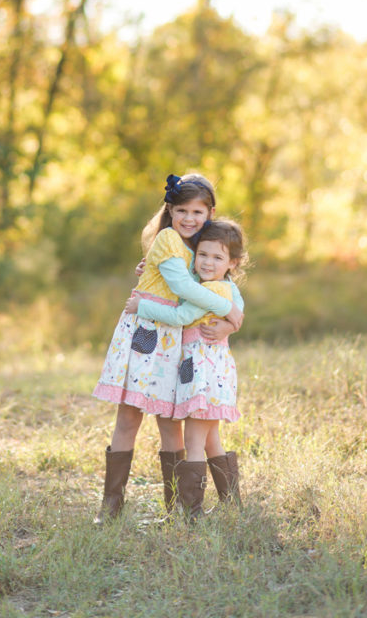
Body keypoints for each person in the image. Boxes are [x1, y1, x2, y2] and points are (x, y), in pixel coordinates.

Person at [92, 173, 244, 522]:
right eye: (182, 211)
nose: (189, 219)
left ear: (209, 213)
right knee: (129, 417)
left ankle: (176, 508)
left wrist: (233, 318)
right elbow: (185, 288)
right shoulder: (168, 239)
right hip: (147, 333)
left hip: (177, 341)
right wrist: (230, 312)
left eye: (197, 212)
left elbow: (222, 286)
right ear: (170, 211)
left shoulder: (203, 247)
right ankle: (110, 506)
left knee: (169, 421)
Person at [126, 218, 247, 520]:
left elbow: (181, 316)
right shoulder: (221, 286)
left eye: (217, 257)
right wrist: (151, 270)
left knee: (194, 441)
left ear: (232, 262)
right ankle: (233, 504)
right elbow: (234, 304)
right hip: (210, 371)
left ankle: (193, 513)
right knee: (210, 438)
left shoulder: (214, 290)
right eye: (202, 255)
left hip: (201, 373)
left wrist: (141, 306)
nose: (207, 262)